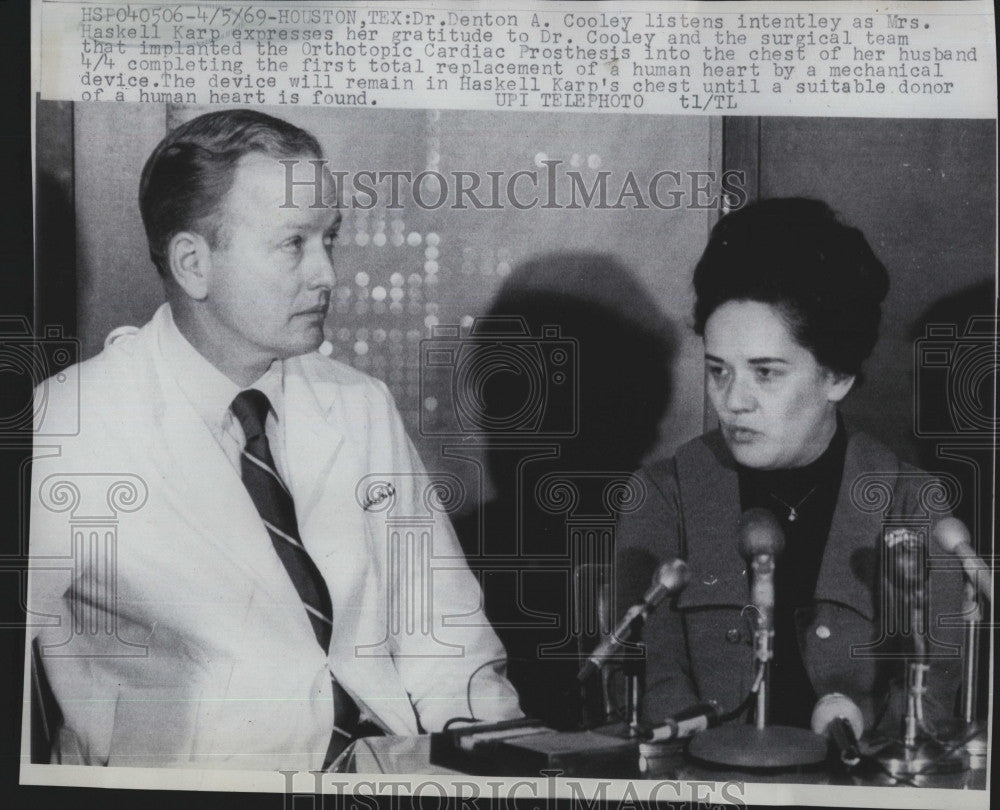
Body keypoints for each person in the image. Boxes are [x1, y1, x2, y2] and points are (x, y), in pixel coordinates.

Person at [28, 109, 521, 770]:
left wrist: (497, 768)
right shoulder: (70, 424)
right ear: (193, 263)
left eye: (330, 239)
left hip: (394, 774)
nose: (328, 275)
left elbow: (450, 644)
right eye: (294, 244)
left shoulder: (359, 406)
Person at [615, 198, 964, 735]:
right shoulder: (664, 497)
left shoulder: (914, 506)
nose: (733, 402)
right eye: (718, 370)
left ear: (837, 378)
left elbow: (931, 709)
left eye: (766, 373)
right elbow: (648, 691)